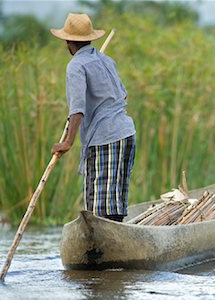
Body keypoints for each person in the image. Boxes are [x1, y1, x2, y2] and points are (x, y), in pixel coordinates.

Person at [50, 13, 136, 222]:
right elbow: (122, 94)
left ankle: (101, 250)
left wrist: (67, 142)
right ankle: (114, 245)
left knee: (98, 206)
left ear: (68, 42)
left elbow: (78, 108)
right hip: (126, 133)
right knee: (114, 201)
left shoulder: (76, 66)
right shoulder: (105, 60)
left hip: (104, 137)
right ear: (89, 39)